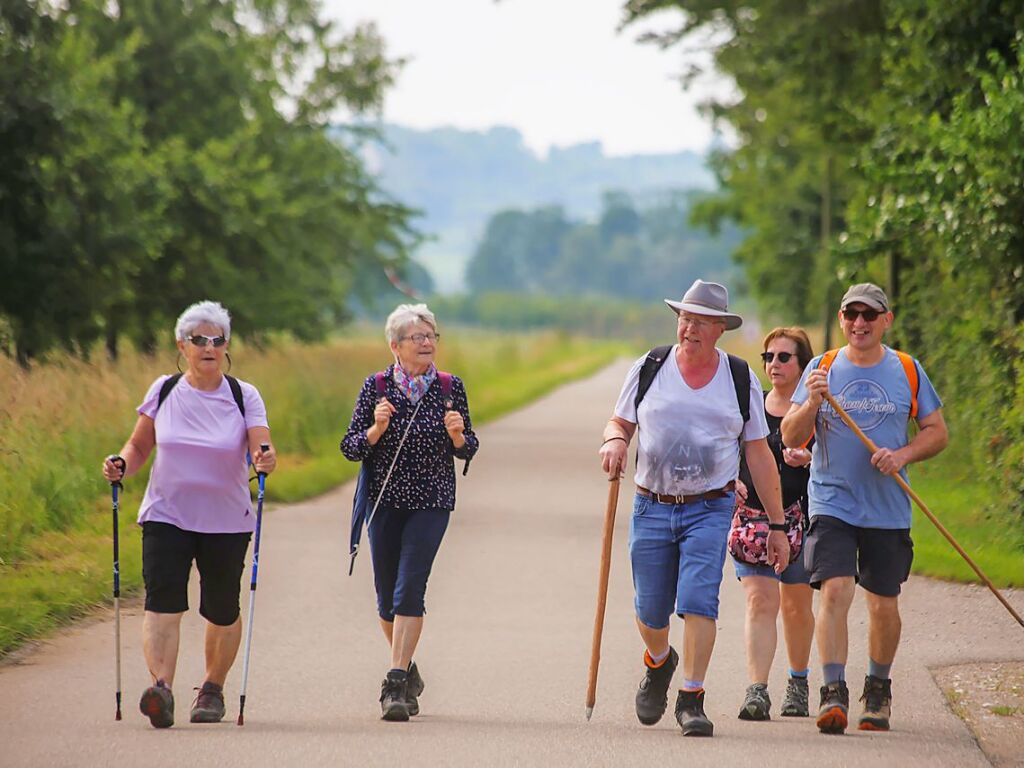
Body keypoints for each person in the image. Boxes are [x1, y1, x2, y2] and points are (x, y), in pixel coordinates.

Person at [599, 279, 789, 737]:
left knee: (700, 599)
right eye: (685, 318)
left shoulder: (740, 377)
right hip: (652, 503)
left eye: (701, 321)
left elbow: (760, 454)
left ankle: (691, 696)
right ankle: (660, 662)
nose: (690, 328)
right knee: (650, 611)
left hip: (710, 505)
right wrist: (614, 440)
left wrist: (777, 524)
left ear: (720, 328)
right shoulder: (650, 366)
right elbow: (620, 420)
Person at [101, 300, 277, 729]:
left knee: (220, 608)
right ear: (182, 345)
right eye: (199, 339)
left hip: (226, 519)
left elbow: (261, 443)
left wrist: (264, 458)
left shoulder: (242, 394)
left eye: (217, 339)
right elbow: (140, 446)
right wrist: (121, 463)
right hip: (167, 514)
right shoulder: (164, 390)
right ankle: (161, 689)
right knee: (162, 602)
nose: (209, 347)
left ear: (226, 346)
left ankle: (212, 689)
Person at [781, 283, 947, 734]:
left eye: (869, 315)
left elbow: (936, 430)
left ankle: (878, 689)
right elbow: (790, 437)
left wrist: (903, 455)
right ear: (840, 319)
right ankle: (832, 691)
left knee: (883, 603)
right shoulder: (821, 368)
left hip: (888, 507)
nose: (859, 323)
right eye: (851, 314)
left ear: (886, 320)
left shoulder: (907, 370)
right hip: (832, 500)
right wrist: (812, 401)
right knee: (835, 590)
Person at [341, 303, 479, 722]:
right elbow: (350, 448)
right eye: (417, 337)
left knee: (408, 591)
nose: (426, 343)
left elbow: (469, 447)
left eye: (431, 336)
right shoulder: (376, 387)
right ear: (395, 345)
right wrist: (376, 430)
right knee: (386, 599)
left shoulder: (449, 386)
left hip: (431, 503)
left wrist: (457, 436)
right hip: (383, 504)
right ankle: (409, 669)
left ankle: (395, 682)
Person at [732, 328, 816, 721]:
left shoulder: (815, 409)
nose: (774, 365)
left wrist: (811, 461)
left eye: (784, 357)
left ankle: (798, 684)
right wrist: (729, 481)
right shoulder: (750, 407)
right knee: (759, 601)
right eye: (768, 357)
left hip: (801, 515)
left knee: (797, 606)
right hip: (752, 520)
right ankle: (757, 690)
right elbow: (729, 448)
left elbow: (837, 461)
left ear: (803, 364)